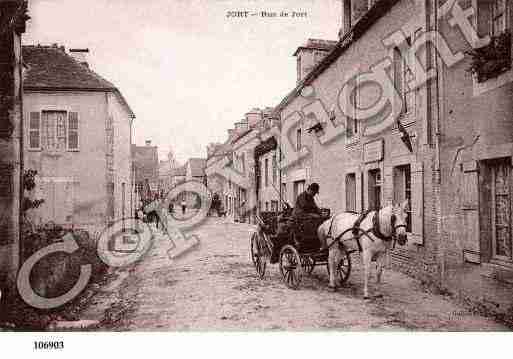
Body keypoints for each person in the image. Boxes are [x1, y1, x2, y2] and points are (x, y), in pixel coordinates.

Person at [292, 183, 327, 251]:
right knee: (315, 217)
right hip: (299, 215)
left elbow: (315, 207)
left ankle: (319, 236)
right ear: (310, 190)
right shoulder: (302, 196)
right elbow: (305, 207)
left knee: (320, 218)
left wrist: (321, 213)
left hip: (307, 215)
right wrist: (313, 213)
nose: (314, 195)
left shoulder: (311, 198)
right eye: (314, 193)